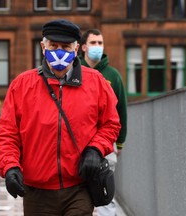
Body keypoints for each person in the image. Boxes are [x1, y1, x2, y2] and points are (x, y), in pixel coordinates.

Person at [0, 19, 121, 216]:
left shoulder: (96, 82)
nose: (59, 51)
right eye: (53, 45)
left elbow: (111, 124)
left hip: (78, 187)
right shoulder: (22, 85)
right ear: (43, 46)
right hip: (37, 192)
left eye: (66, 46)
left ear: (77, 48)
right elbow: (8, 134)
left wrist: (95, 150)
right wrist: (10, 166)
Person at [79, 29, 128, 216]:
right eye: (93, 43)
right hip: (81, 140)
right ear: (83, 47)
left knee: (104, 187)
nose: (97, 47)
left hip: (107, 141)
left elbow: (121, 110)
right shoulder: (74, 71)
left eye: (100, 43)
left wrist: (120, 141)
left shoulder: (113, 76)